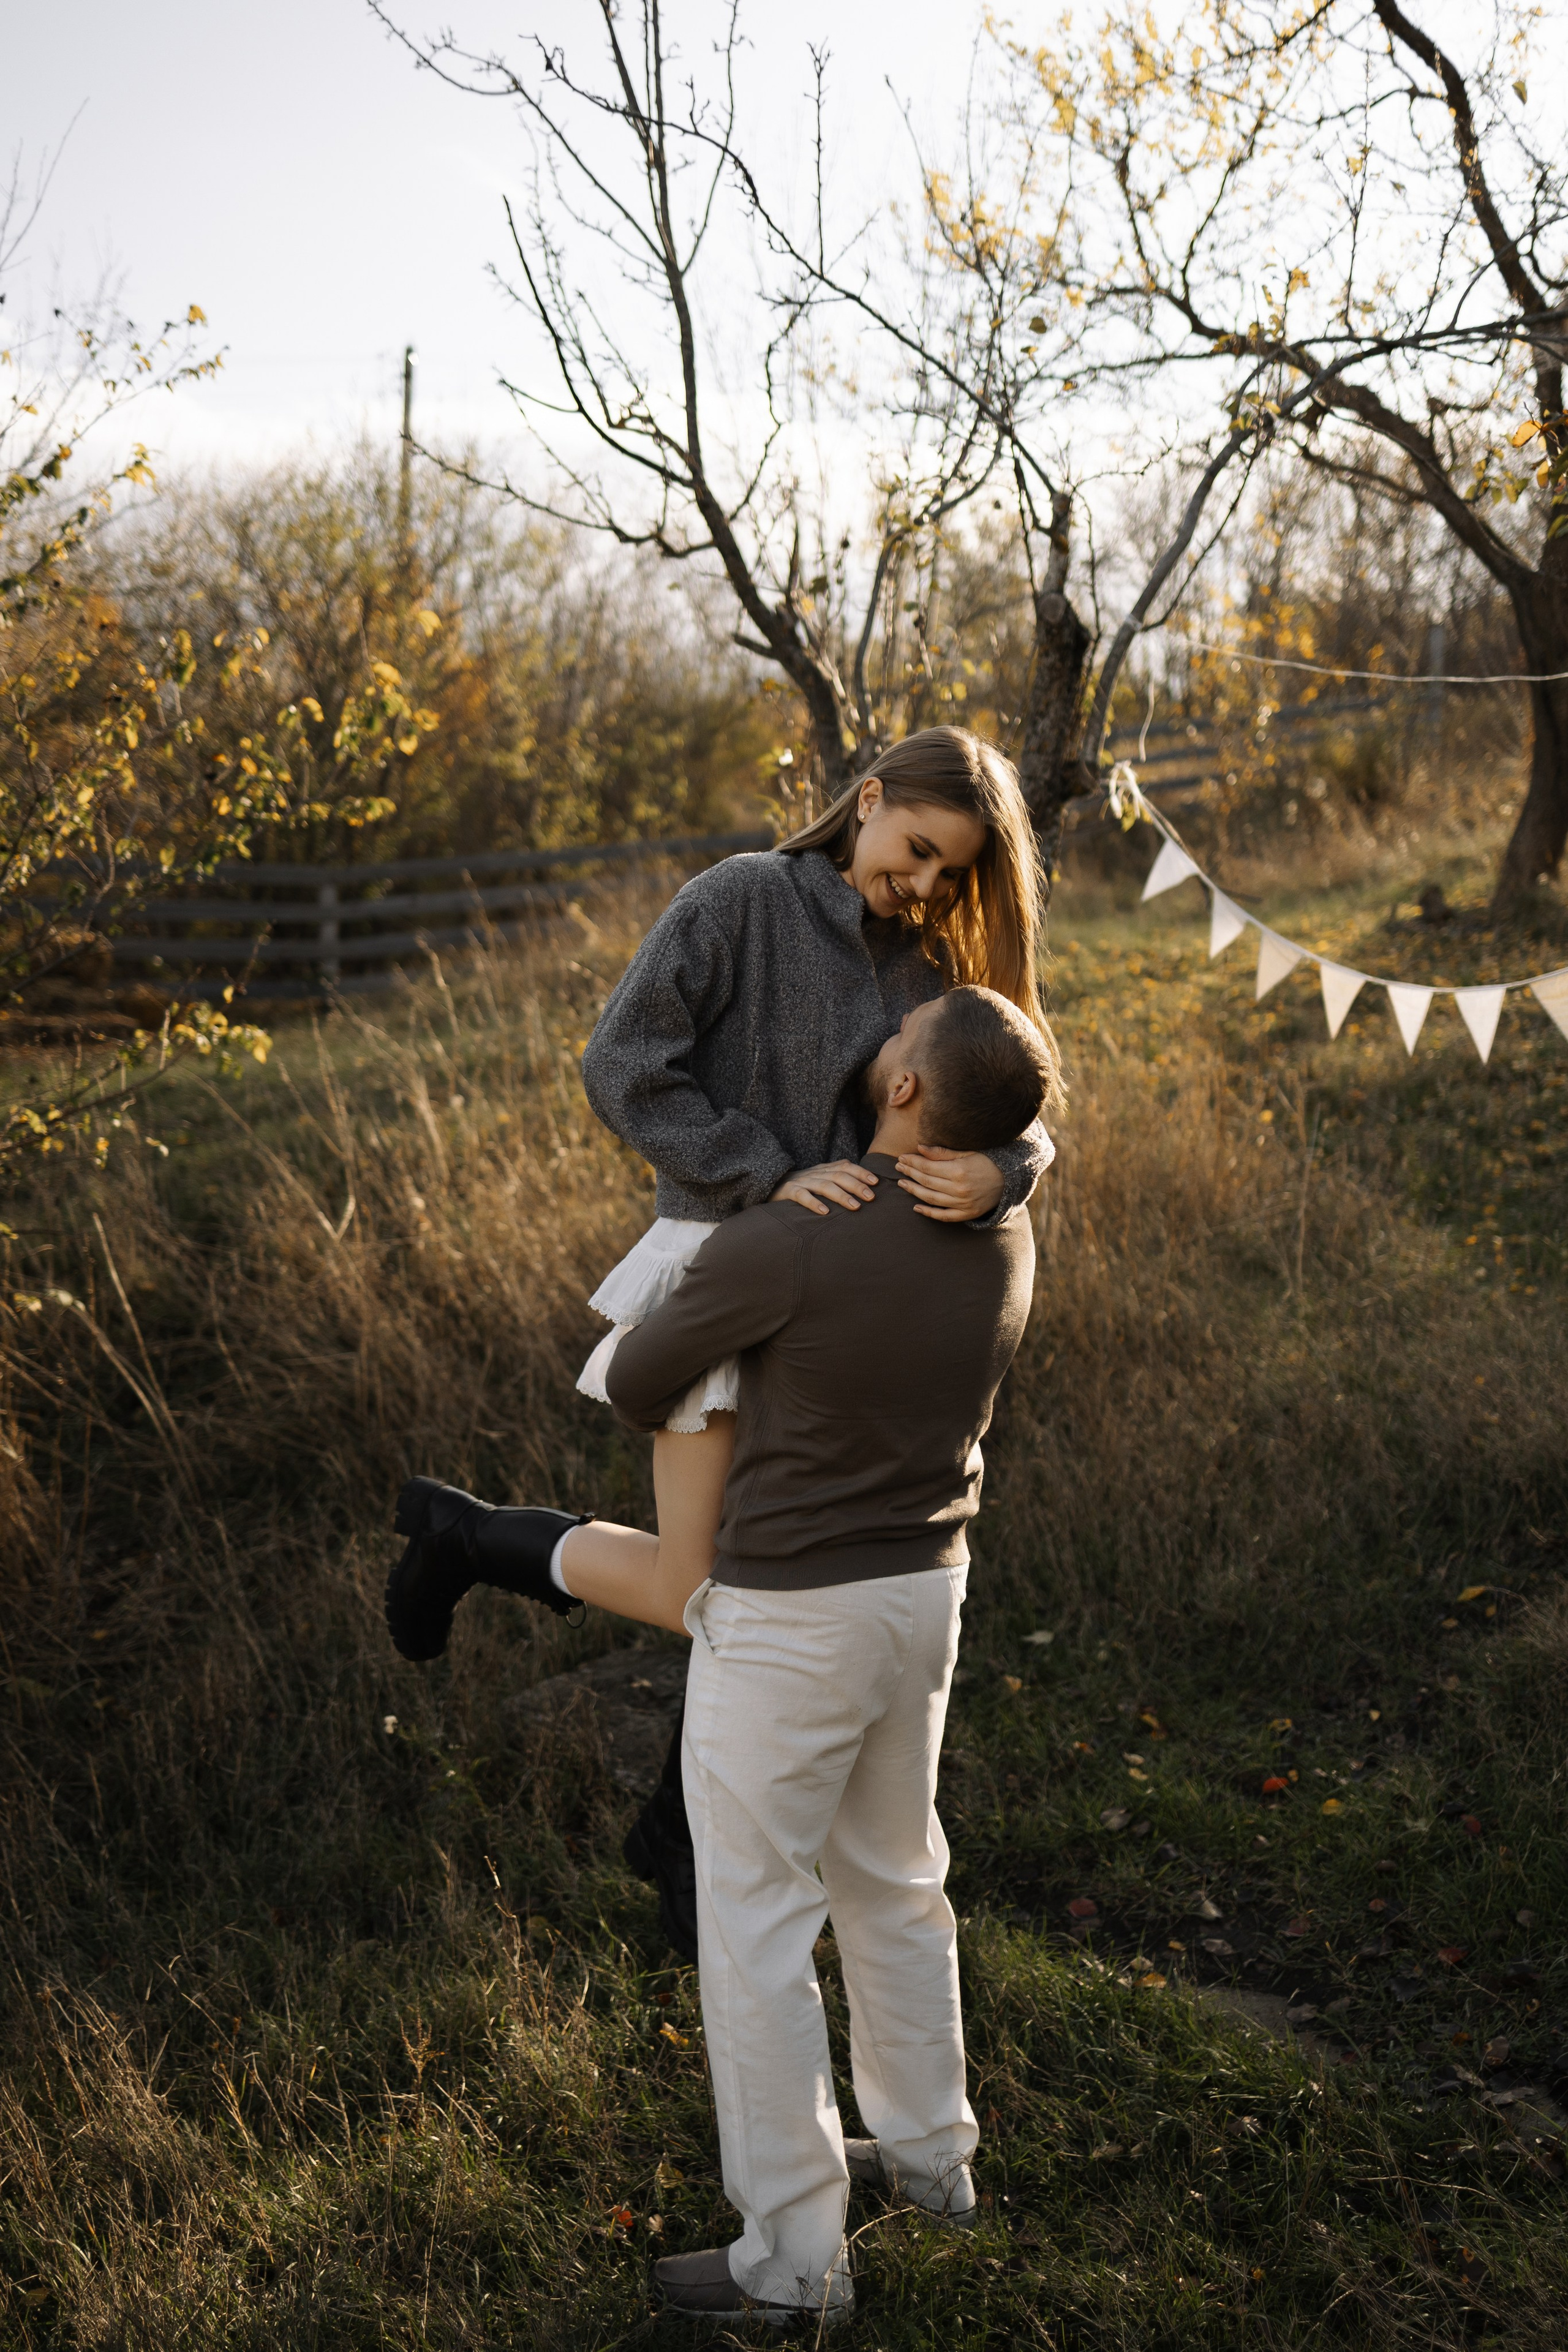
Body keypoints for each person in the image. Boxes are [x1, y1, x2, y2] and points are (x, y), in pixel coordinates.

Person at [383, 728, 1058, 1954]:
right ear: (866, 804)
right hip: (720, 1265)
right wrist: (765, 1169)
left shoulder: (928, 970)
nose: (923, 886)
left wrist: (1011, 1164)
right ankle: (467, 1540)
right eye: (914, 852)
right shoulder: (741, 901)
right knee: (710, 1588)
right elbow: (620, 1062)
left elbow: (1011, 1081)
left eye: (947, 873)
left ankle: (680, 1847)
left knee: (768, 1581)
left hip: (842, 1305)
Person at [603, 983, 1047, 2327]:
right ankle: (929, 2159)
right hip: (925, 1592)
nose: (882, 1036)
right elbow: (1019, 1148)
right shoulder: (1007, 1231)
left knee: (755, 1929)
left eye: (904, 1036)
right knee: (896, 1877)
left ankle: (792, 2265)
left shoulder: (787, 1245)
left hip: (792, 1616)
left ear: (905, 1091)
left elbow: (634, 1381)